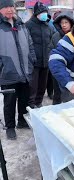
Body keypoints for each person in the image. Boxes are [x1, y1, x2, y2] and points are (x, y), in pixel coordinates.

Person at [0, 0, 37, 139]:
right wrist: (2, 67)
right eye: (5, 7)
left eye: (11, 6)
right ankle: (10, 127)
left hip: (25, 70)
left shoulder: (21, 25)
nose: (9, 9)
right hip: (8, 72)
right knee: (9, 101)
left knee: (24, 99)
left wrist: (32, 61)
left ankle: (22, 121)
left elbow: (30, 43)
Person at [25, 2, 53, 108]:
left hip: (46, 62)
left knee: (42, 86)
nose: (44, 14)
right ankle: (31, 105)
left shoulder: (48, 25)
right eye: (42, 12)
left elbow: (51, 42)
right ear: (36, 13)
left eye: (45, 12)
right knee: (33, 87)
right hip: (33, 63)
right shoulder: (28, 25)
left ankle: (39, 103)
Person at [48, 12, 74, 104]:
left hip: (72, 71)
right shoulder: (55, 36)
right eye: (62, 23)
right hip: (59, 70)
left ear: (71, 23)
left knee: (70, 96)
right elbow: (50, 51)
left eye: (66, 22)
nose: (63, 25)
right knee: (57, 94)